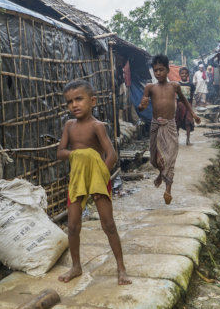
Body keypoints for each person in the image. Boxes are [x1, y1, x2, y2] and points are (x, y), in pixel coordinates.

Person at [56, 79, 130, 286]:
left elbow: (111, 154)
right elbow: (60, 152)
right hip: (78, 178)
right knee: (72, 225)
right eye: (69, 102)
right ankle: (76, 266)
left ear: (93, 101)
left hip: (98, 177)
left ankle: (121, 268)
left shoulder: (97, 126)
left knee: (108, 224)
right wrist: (78, 154)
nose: (74, 105)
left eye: (79, 99)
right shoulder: (69, 126)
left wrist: (101, 178)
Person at [139, 54, 199, 204]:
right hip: (155, 125)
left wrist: (193, 114)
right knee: (155, 159)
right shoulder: (150, 88)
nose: (158, 73)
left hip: (170, 125)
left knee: (170, 157)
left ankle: (168, 190)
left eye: (161, 70)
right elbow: (141, 107)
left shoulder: (174, 86)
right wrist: (142, 106)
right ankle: (161, 173)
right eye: (155, 70)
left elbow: (184, 100)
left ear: (167, 70)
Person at [175, 66, 196, 145]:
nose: (184, 74)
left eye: (186, 73)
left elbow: (192, 96)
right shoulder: (177, 84)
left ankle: (188, 139)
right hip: (179, 106)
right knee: (177, 122)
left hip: (188, 106)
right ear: (180, 74)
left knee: (188, 121)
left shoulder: (191, 85)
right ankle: (176, 139)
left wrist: (191, 106)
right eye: (182, 73)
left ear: (188, 75)